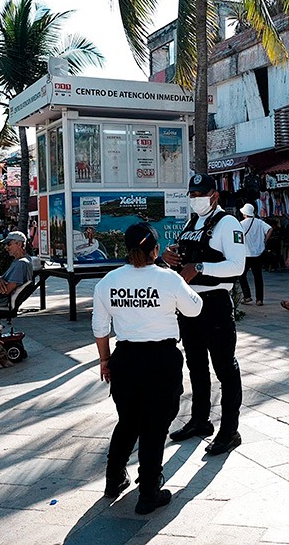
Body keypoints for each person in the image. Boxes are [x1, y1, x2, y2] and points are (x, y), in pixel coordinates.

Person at [93, 222, 202, 514]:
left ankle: (114, 478)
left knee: (128, 421)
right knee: (155, 425)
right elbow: (194, 308)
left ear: (126, 250)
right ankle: (149, 492)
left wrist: (105, 360)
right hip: (160, 359)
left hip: (125, 358)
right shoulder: (168, 279)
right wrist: (184, 282)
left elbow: (100, 329)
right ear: (155, 249)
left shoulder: (107, 282)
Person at [162, 174, 246, 456]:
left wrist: (199, 267)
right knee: (196, 365)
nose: (195, 198)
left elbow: (237, 266)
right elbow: (184, 255)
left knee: (225, 368)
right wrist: (170, 256)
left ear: (214, 195)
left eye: (201, 193)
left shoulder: (227, 223)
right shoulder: (193, 222)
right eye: (192, 194)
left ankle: (230, 431)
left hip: (215, 304)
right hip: (189, 304)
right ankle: (200, 420)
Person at [237, 203, 272, 306]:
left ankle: (247, 296)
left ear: (244, 213)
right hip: (258, 253)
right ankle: (259, 299)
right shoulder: (260, 222)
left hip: (246, 254)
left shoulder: (241, 224)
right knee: (258, 277)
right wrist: (265, 241)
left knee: (241, 275)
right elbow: (270, 229)